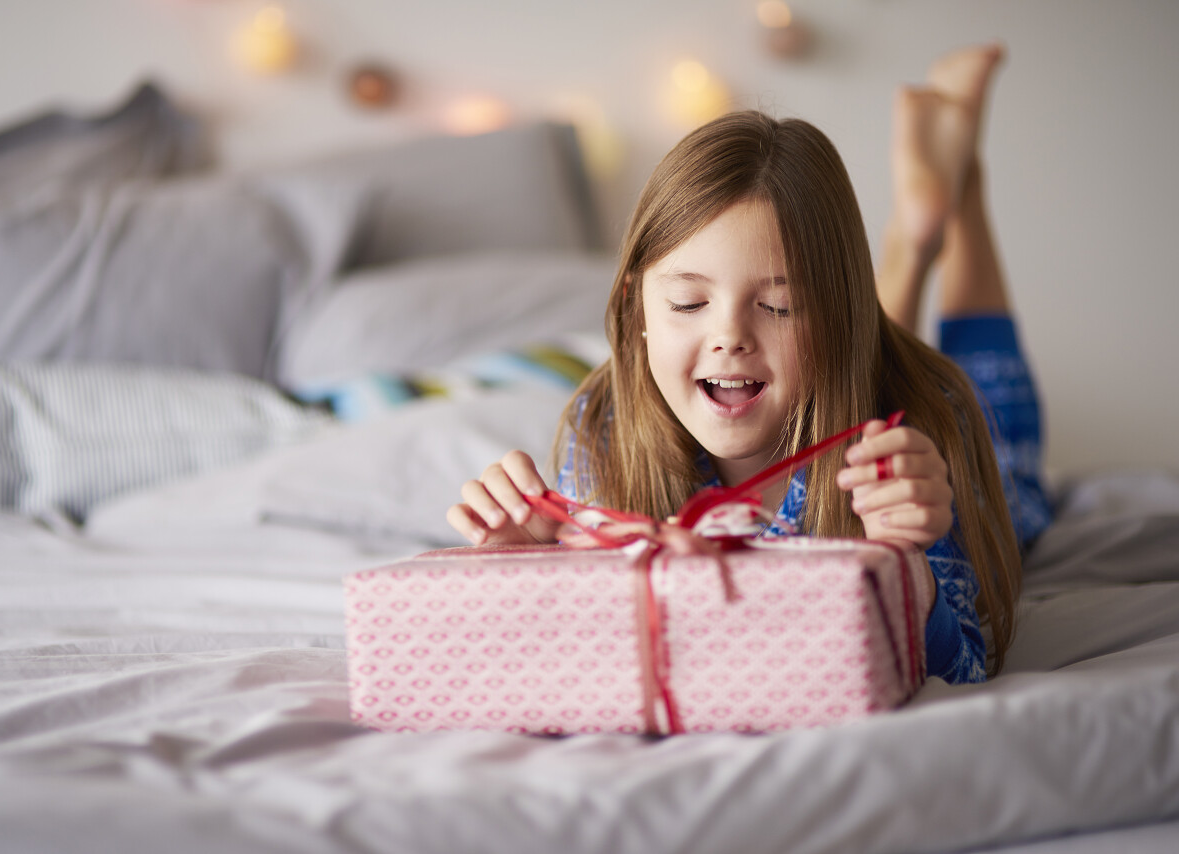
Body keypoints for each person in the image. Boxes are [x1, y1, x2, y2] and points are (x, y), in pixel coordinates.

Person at [446, 44, 1051, 683]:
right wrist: (521, 573)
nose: (729, 336)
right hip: (839, 362)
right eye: (688, 303)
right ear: (637, 311)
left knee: (993, 418)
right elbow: (584, 656)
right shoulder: (604, 432)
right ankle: (916, 226)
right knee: (841, 358)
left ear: (839, 316)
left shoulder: (925, 432)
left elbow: (964, 667)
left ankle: (961, 192)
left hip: (914, 410)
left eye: (777, 307)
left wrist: (904, 564)